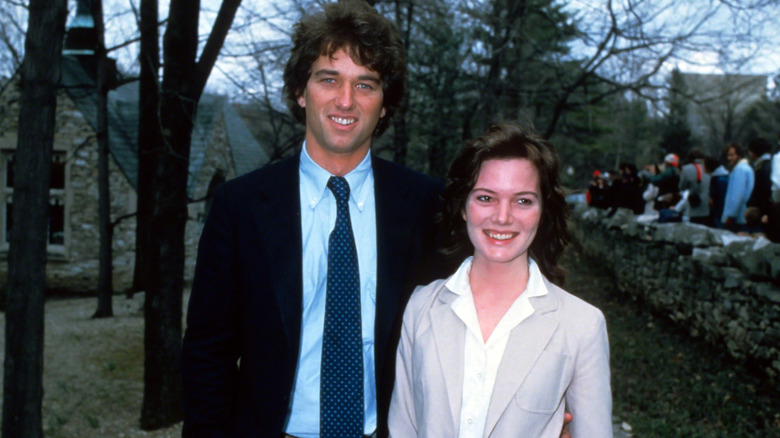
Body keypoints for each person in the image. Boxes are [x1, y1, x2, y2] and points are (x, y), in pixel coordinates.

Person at [180, 2, 447, 436]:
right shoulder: (241, 206)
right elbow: (207, 353)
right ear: (301, 92)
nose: (346, 100)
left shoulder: (425, 205)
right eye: (329, 79)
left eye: (366, 84)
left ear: (384, 105)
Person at [388, 122, 612, 437]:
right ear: (463, 206)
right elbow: (403, 428)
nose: (503, 216)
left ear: (543, 210)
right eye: (485, 198)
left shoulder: (581, 326)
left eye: (523, 200)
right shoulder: (421, 305)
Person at [721, 142, 755, 231]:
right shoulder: (746, 168)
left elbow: (737, 195)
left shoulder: (740, 170)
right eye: (728, 155)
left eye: (732, 155)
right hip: (743, 216)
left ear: (739, 155)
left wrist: (730, 215)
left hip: (738, 218)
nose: (729, 158)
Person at [677, 149, 710, 225]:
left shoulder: (686, 169)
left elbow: (681, 187)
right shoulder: (708, 168)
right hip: (708, 208)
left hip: (693, 208)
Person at [746, 137, 773, 216]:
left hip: (761, 213)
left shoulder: (763, 169)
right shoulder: (769, 165)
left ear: (753, 152)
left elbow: (764, 194)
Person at [705, 156, 728, 229]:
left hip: (720, 214)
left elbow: (722, 199)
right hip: (717, 212)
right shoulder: (716, 178)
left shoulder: (720, 180)